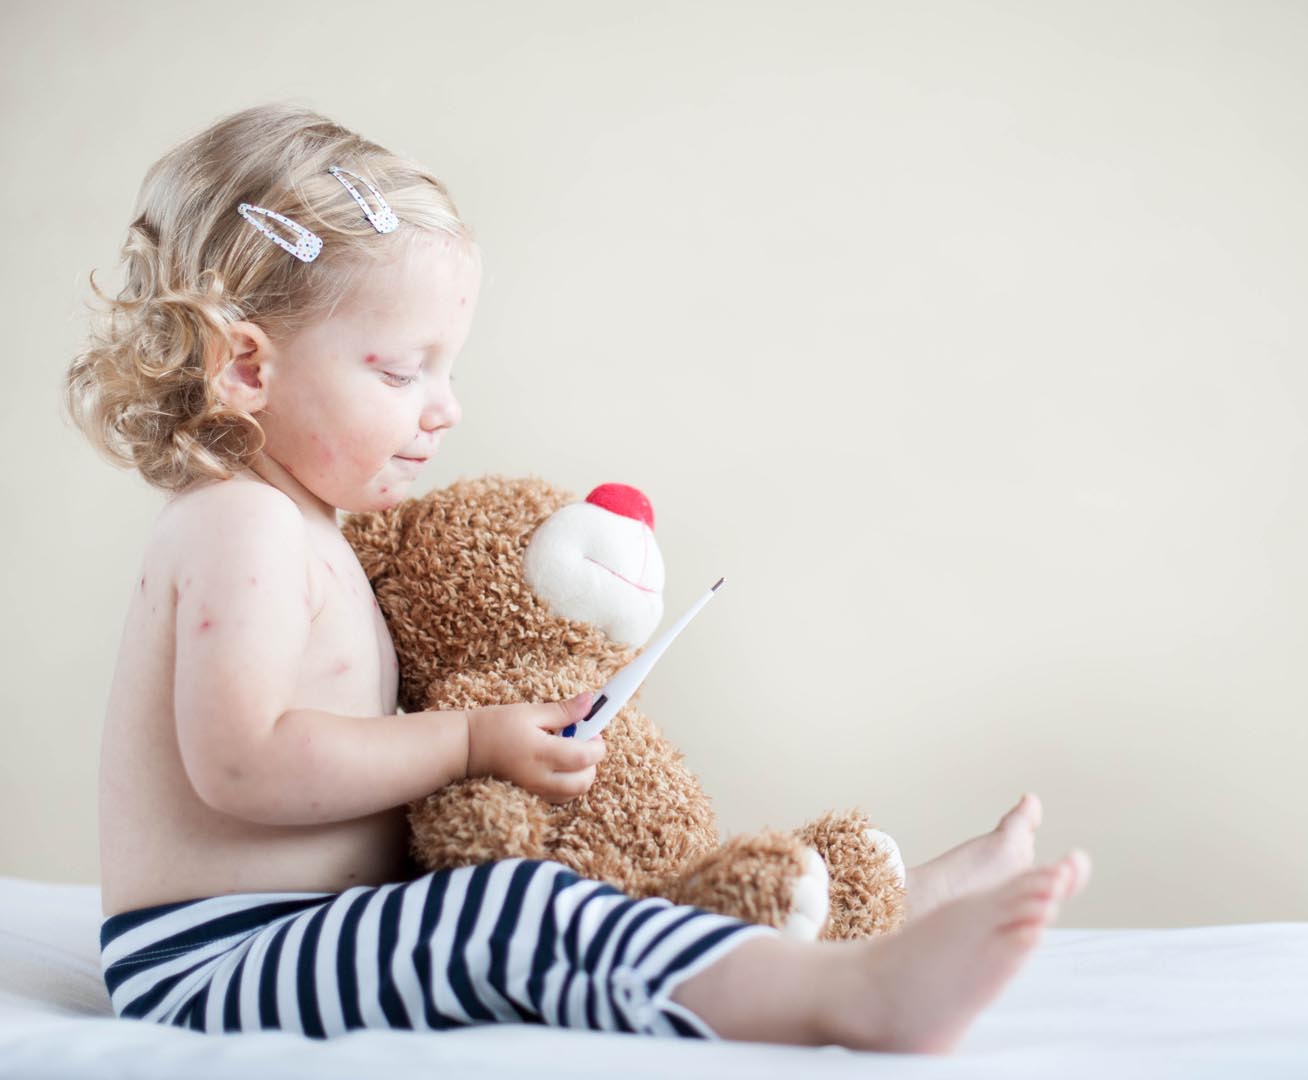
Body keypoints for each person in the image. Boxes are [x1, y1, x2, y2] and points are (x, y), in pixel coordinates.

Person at [65, 102, 1092, 1055]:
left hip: (307, 934)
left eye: (448, 368)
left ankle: (883, 910)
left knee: (582, 885)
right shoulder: (240, 523)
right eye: (398, 371)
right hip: (212, 960)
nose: (445, 409)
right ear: (247, 368)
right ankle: (843, 998)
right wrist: (469, 740)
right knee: (514, 913)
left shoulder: (311, 528)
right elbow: (241, 766)